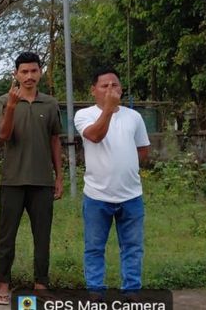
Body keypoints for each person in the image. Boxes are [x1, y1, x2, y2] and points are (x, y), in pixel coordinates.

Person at [0, 52, 63, 306]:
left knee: (42, 236)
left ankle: (41, 285)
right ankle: (3, 285)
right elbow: (4, 135)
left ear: (40, 72)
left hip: (42, 181)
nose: (29, 76)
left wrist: (59, 177)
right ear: (16, 74)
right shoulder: (4, 101)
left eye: (34, 71)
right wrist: (12, 107)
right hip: (12, 180)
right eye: (24, 72)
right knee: (6, 236)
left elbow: (55, 140)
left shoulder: (50, 103)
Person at [74, 67, 150, 295]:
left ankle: (131, 292)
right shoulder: (84, 115)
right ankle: (95, 292)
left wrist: (125, 167)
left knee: (133, 248)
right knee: (94, 248)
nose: (110, 89)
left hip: (131, 195)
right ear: (93, 90)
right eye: (104, 86)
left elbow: (143, 149)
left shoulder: (134, 117)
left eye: (114, 85)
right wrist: (108, 109)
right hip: (97, 196)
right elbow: (95, 136)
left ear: (121, 89)